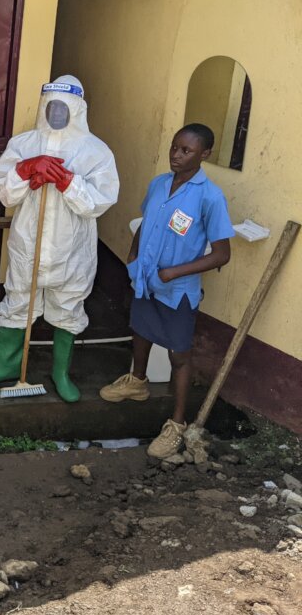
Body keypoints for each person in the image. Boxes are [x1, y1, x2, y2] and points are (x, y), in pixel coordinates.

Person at [0, 76, 119, 402]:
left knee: (68, 304)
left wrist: (69, 182)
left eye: (62, 107)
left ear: (77, 109)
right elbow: (6, 194)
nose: (55, 113)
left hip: (72, 246)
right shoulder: (23, 144)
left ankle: (60, 372)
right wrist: (25, 171)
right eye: (50, 106)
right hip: (28, 242)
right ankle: (6, 365)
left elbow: (100, 201)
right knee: (17, 299)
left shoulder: (96, 151)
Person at [100, 124, 233, 458]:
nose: (176, 155)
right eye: (174, 148)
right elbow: (146, 221)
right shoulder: (159, 183)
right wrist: (133, 256)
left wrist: (175, 271)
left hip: (179, 289)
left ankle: (176, 423)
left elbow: (222, 254)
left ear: (205, 155)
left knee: (179, 354)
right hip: (146, 278)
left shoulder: (209, 197)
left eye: (186, 151)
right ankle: (138, 382)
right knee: (141, 329)